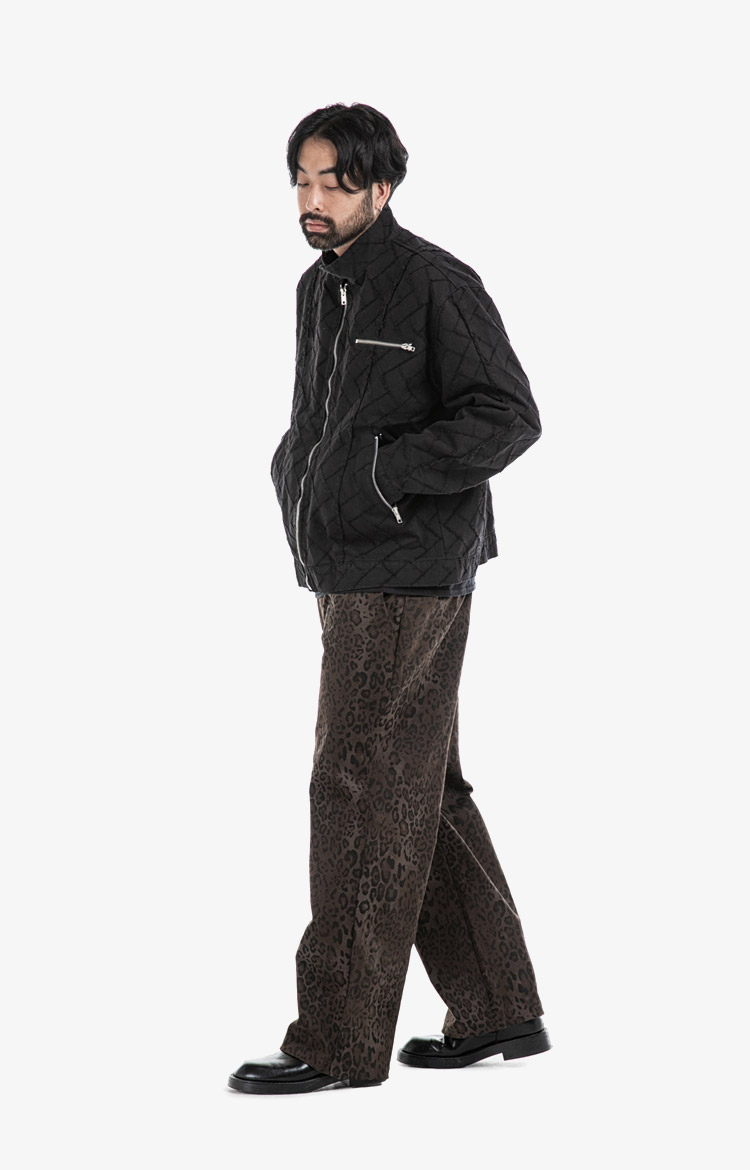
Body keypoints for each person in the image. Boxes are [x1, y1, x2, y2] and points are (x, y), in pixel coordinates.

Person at [228, 102, 551, 1095]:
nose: (311, 200)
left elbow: (509, 416)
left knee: (360, 786)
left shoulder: (436, 284)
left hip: (406, 570)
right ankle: (497, 1008)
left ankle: (337, 1040)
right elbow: (322, 419)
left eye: (332, 183)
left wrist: (380, 476)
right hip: (348, 566)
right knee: (419, 788)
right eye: (302, 180)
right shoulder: (319, 286)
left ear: (382, 186)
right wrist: (302, 475)